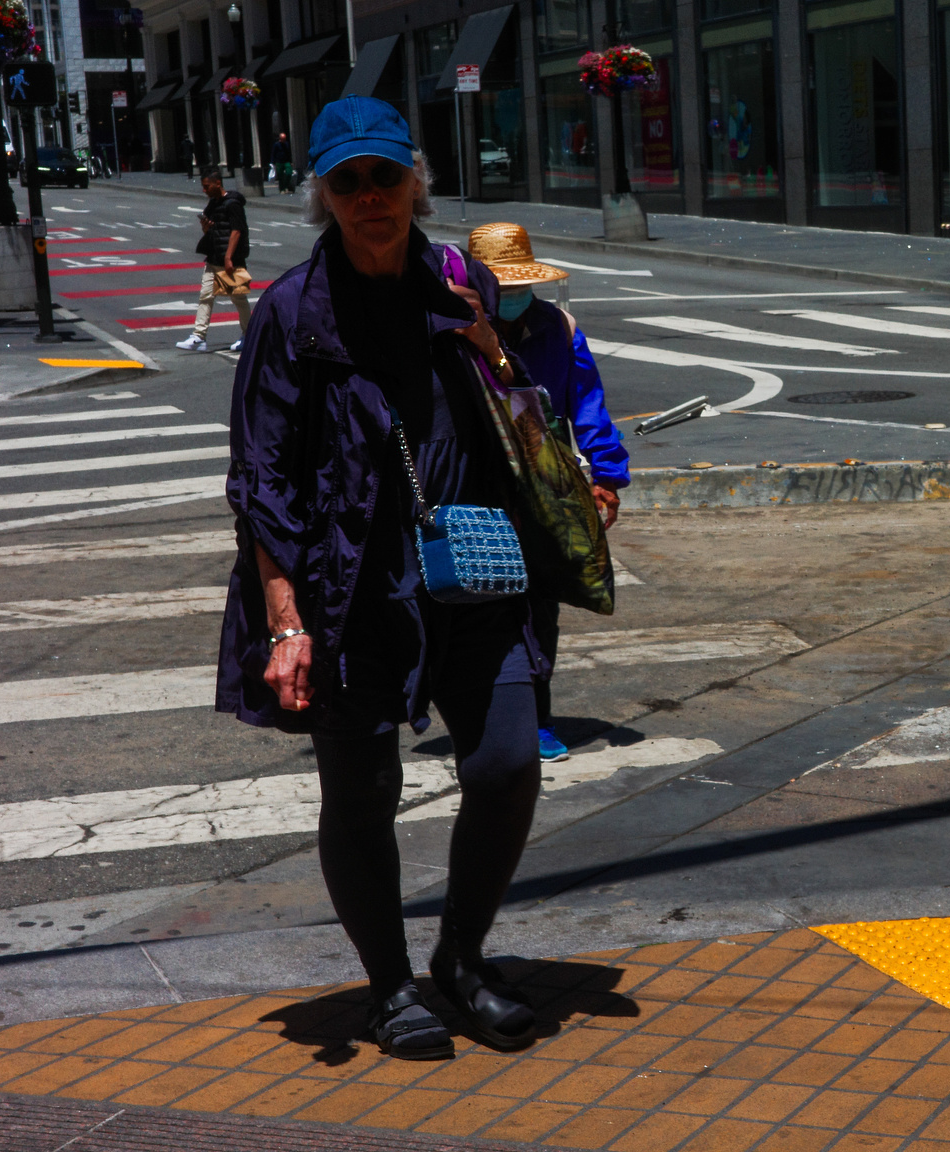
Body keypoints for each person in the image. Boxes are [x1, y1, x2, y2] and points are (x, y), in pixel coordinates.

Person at [217, 95, 546, 1060]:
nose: (371, 198)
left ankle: (460, 956)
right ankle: (390, 985)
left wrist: (492, 344)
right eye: (348, 182)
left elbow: (525, 404)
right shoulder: (291, 313)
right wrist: (286, 623)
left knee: (506, 762)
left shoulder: (458, 283)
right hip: (346, 582)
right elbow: (261, 479)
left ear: (416, 183)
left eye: (385, 177)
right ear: (324, 195)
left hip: (472, 557)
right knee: (361, 793)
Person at [468, 222, 631, 763]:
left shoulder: (559, 328)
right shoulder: (453, 329)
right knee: (486, 600)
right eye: (503, 287)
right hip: (477, 483)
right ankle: (485, 709)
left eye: (520, 285)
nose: (513, 296)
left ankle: (537, 717)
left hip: (547, 484)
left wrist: (606, 477)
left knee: (540, 606)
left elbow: (588, 405)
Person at [177, 167, 254, 354]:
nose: (205, 190)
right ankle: (199, 337)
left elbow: (237, 230)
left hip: (230, 261)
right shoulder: (212, 205)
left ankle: (250, 336)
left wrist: (229, 257)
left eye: (207, 186)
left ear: (217, 183)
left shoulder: (233, 204)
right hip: (213, 257)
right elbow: (213, 231)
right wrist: (205, 228)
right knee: (205, 296)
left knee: (238, 299)